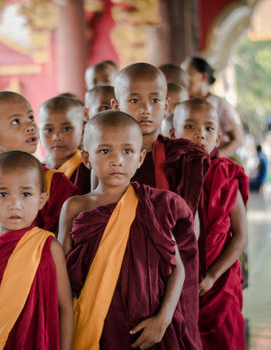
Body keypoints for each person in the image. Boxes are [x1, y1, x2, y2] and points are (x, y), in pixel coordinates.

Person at [59, 110, 202, 349]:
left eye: (127, 151)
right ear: (86, 158)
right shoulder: (76, 206)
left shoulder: (154, 205)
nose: (118, 160)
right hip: (93, 321)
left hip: (149, 324)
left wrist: (162, 320)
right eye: (105, 151)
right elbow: (60, 270)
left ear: (140, 157)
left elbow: (177, 270)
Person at [111, 63, 209, 348]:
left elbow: (191, 229)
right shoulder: (103, 161)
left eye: (154, 100)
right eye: (134, 100)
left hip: (174, 280)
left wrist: (165, 314)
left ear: (166, 105)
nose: (145, 109)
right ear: (116, 104)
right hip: (119, 282)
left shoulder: (183, 158)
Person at [0, 151, 74, 350]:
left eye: (26, 194)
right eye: (2, 194)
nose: (14, 205)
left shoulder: (48, 246)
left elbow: (64, 307)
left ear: (41, 200)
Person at [172, 98, 248, 350]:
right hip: (178, 284)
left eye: (208, 128)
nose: (199, 135)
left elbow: (240, 236)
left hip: (220, 282)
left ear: (217, 138)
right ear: (173, 133)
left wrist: (213, 276)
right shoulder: (167, 174)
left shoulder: (226, 174)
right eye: (190, 127)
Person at [0, 91, 78, 247]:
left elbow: (65, 240)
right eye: (16, 121)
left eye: (30, 118)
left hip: (40, 265)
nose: (30, 126)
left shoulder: (54, 181)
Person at [185, 57, 244, 158]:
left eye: (189, 74)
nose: (184, 79)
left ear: (204, 77)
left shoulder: (220, 104)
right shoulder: (184, 103)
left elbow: (238, 140)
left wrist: (213, 158)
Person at [39, 95, 91, 194]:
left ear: (83, 131)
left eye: (66, 129)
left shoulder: (88, 170)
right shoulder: (36, 170)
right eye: (48, 130)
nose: (57, 137)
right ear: (39, 134)